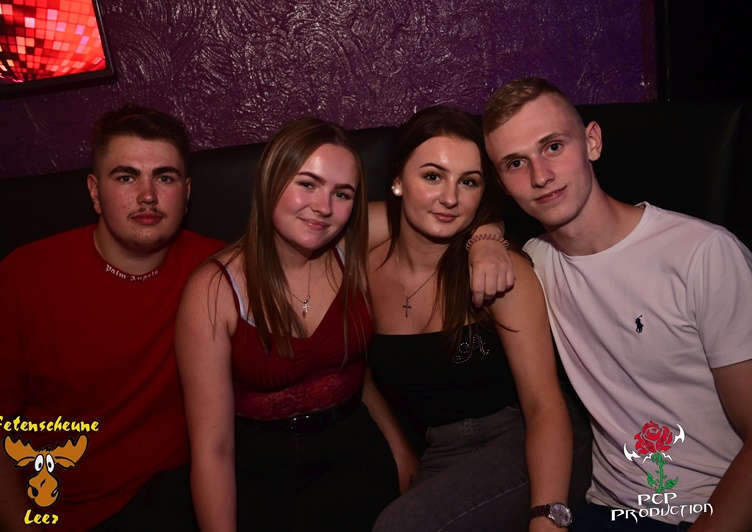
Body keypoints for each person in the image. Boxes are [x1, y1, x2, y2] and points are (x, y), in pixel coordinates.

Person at [482, 77, 752, 531]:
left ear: (592, 141)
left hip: (706, 509)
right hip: (609, 509)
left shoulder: (704, 254)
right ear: (502, 184)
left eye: (553, 147)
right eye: (515, 163)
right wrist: (484, 237)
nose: (539, 176)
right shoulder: (534, 265)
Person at [0, 105, 223, 531]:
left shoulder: (218, 269)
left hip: (176, 496)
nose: (148, 195)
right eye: (126, 177)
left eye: (165, 178)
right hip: (60, 511)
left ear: (186, 193)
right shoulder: (25, 276)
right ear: (95, 192)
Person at [176, 117, 406, 532]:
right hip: (263, 476)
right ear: (271, 180)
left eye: (342, 193)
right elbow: (213, 448)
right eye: (307, 184)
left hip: (355, 457)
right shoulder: (214, 289)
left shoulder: (352, 246)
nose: (323, 207)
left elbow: (445, 211)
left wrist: (486, 240)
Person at [369, 105, 590, 532]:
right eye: (432, 176)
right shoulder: (366, 261)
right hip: (442, 449)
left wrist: (547, 518)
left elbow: (544, 406)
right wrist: (397, 444)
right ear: (397, 180)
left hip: (529, 439)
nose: (450, 198)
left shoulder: (500, 272)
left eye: (468, 182)